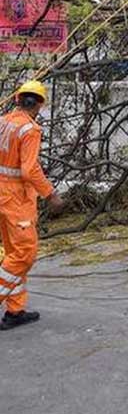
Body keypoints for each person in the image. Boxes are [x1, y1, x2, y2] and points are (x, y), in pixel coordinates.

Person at [0, 80, 64, 331]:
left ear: (17, 99)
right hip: (16, 198)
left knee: (14, 251)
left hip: (3, 195)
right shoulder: (29, 129)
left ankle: (15, 311)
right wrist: (50, 194)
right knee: (24, 252)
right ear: (39, 105)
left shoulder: (3, 122)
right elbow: (29, 169)